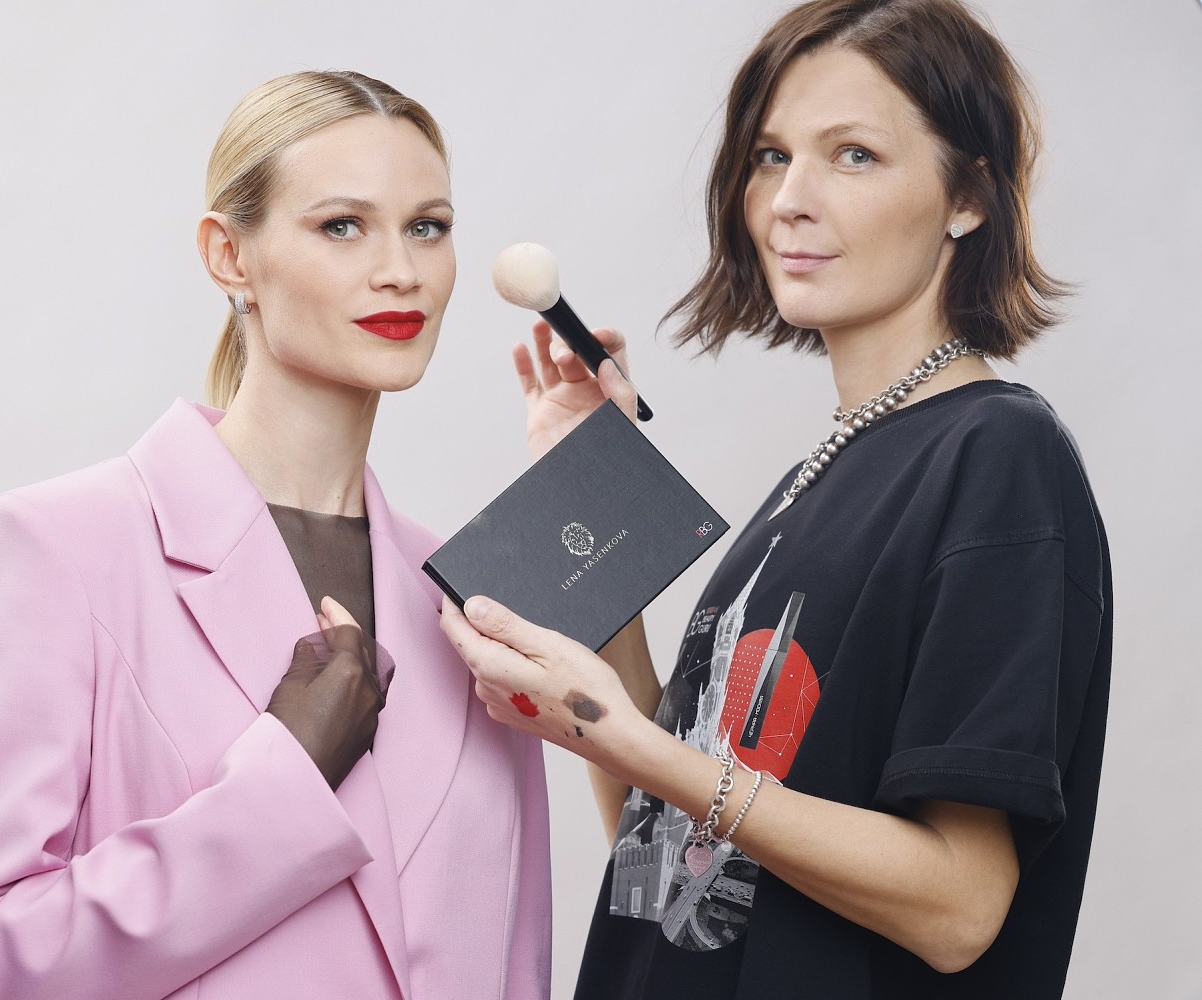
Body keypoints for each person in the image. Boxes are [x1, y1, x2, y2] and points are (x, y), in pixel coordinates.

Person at [440, 1, 1111, 997]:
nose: (789, 200)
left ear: (969, 196)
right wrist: (592, 489)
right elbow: (661, 849)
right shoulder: (822, 474)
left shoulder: (998, 456)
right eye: (770, 156)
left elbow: (960, 908)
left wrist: (628, 739)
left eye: (853, 156)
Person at [0, 71, 551, 1000]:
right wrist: (283, 782)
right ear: (229, 256)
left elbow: (516, 956)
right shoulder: (59, 549)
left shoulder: (470, 598)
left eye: (428, 227)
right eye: (343, 225)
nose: (401, 270)